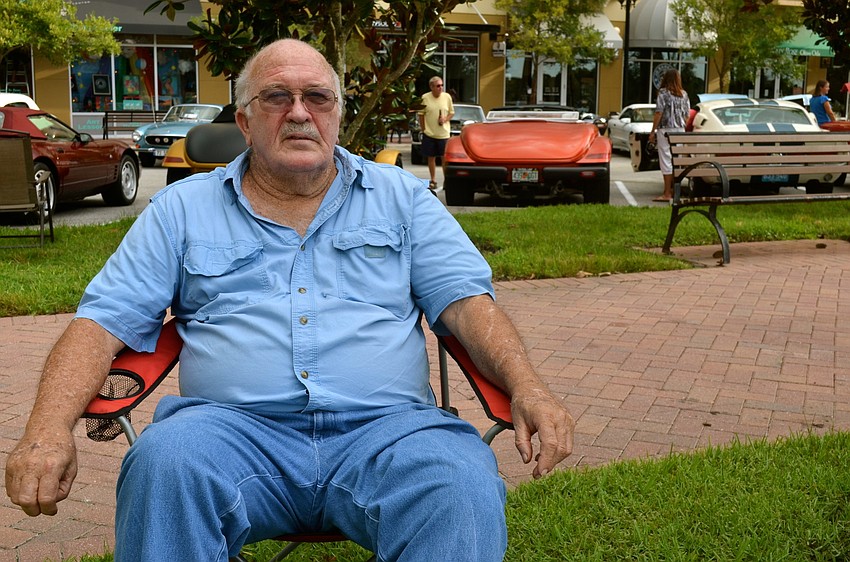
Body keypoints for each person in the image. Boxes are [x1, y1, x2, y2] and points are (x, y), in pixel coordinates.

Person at [5, 39, 575, 561]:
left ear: (338, 115)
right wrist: (47, 429)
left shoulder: (404, 201)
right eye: (277, 97)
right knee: (164, 466)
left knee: (459, 479)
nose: (300, 112)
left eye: (318, 98)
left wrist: (528, 387)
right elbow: (101, 322)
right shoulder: (182, 210)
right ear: (245, 121)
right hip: (229, 434)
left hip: (390, 434)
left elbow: (468, 305)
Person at [649, 69, 691, 202]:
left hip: (666, 129)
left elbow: (658, 113)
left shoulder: (663, 93)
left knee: (666, 160)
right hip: (680, 130)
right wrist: (681, 124)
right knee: (676, 160)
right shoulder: (684, 94)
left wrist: (652, 131)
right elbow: (687, 115)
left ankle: (667, 192)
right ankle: (674, 190)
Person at [417, 75, 454, 191]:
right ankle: (433, 180)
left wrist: (445, 119)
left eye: (442, 85)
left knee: (444, 158)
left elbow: (452, 112)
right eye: (438, 86)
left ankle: (447, 180)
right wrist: (424, 130)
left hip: (443, 134)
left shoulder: (447, 97)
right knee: (431, 157)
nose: (441, 88)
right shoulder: (425, 98)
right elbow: (421, 115)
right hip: (430, 134)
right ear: (431, 87)